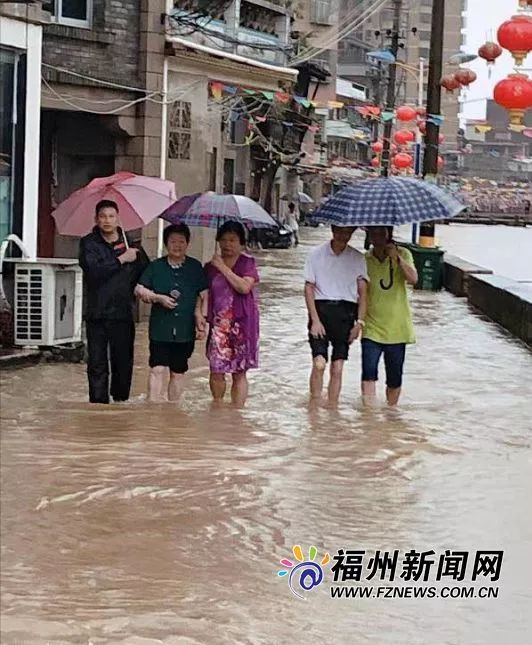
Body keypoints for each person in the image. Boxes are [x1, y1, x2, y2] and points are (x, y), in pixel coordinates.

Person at [79, 199, 149, 404]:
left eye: (111, 216)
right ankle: (98, 407)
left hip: (123, 312)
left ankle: (120, 405)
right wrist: (120, 260)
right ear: (96, 219)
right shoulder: (88, 243)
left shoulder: (130, 244)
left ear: (118, 219)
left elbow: (146, 272)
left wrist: (145, 288)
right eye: (102, 216)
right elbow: (93, 272)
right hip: (97, 313)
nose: (107, 220)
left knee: (123, 363)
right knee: (97, 364)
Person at [135, 224, 208, 403]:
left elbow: (203, 294)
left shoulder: (195, 267)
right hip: (161, 328)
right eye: (173, 241)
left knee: (178, 371)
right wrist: (157, 298)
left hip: (185, 329)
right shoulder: (156, 267)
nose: (177, 245)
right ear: (166, 243)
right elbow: (139, 289)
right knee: (157, 368)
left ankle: (173, 410)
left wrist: (200, 317)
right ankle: (153, 408)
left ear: (187, 243)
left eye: (181, 241)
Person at [304, 226, 368, 406]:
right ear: (332, 230)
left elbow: (363, 293)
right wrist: (314, 320)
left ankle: (333, 408)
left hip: (346, 313)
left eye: (347, 232)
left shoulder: (358, 258)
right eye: (339, 231)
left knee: (337, 368)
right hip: (321, 311)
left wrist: (360, 323)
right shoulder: (315, 254)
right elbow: (308, 287)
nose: (343, 236)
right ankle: (314, 405)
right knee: (319, 364)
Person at [204, 221, 260, 408]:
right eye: (224, 240)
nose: (228, 244)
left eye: (233, 240)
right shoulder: (209, 267)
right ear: (218, 241)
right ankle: (218, 407)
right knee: (216, 369)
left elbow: (244, 287)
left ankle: (237, 412)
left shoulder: (248, 263)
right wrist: (200, 317)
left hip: (242, 324)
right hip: (218, 325)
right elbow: (202, 294)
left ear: (241, 243)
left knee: (240, 370)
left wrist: (223, 268)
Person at [361, 226, 418, 406]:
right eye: (373, 233)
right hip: (371, 327)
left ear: (389, 234)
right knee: (368, 373)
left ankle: (391, 414)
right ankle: (369, 415)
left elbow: (414, 279)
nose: (377, 238)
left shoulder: (404, 254)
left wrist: (397, 259)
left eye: (381, 233)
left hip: (397, 328)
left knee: (394, 379)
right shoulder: (364, 259)